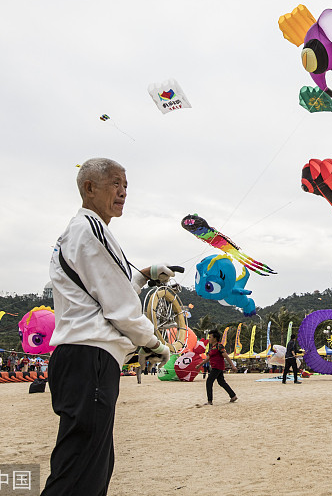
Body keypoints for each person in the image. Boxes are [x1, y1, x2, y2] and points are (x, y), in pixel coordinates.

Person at [42, 158, 174, 496]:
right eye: (116, 183)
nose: (123, 192)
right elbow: (120, 308)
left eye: (126, 185)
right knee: (80, 474)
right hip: (90, 358)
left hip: (80, 357)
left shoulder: (78, 231)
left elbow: (103, 291)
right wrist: (154, 343)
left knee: (91, 466)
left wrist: (142, 275)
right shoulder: (90, 230)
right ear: (90, 188)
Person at [202, 329, 237, 404]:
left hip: (217, 367)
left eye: (210, 337)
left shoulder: (219, 346)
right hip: (216, 367)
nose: (209, 339)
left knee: (209, 382)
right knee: (221, 382)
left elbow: (226, 356)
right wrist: (199, 365)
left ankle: (209, 401)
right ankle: (233, 396)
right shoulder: (212, 347)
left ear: (215, 338)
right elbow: (208, 358)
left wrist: (233, 366)